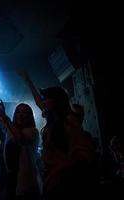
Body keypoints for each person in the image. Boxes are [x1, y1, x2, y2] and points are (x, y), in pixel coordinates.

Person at [19, 71, 96, 200]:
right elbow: (39, 102)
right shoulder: (53, 120)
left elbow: (83, 154)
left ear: (55, 101)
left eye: (46, 99)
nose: (42, 102)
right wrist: (28, 81)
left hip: (63, 178)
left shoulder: (68, 120)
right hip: (53, 176)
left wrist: (58, 170)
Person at [0, 77, 41, 200]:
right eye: (18, 112)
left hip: (27, 181)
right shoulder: (10, 129)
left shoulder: (33, 132)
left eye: (24, 112)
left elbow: (21, 139)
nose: (21, 114)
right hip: (12, 179)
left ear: (29, 116)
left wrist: (5, 116)